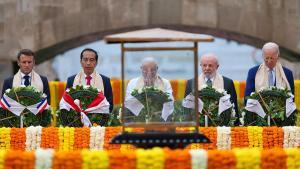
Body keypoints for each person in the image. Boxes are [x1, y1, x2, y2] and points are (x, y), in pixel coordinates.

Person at [184, 53, 239, 122]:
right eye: (204, 65)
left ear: (217, 66)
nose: (207, 68)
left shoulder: (227, 83)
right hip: (198, 124)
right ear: (200, 66)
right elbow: (186, 108)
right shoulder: (191, 83)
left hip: (221, 125)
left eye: (210, 65)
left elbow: (234, 107)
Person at [66, 48, 113, 112]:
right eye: (85, 60)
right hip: (77, 120)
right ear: (81, 62)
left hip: (98, 120)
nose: (88, 63)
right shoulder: (71, 80)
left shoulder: (105, 81)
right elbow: (66, 103)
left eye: (91, 60)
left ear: (96, 63)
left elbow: (110, 105)